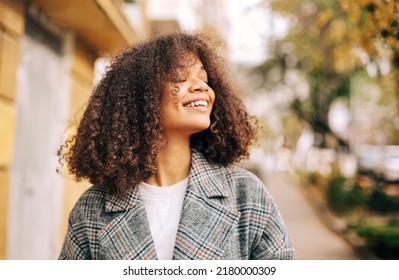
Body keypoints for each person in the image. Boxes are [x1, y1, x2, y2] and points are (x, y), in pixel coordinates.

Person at [58, 32, 294, 260]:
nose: (202, 87)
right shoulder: (92, 209)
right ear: (141, 97)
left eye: (204, 79)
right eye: (180, 78)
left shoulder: (245, 194)